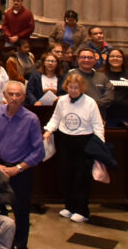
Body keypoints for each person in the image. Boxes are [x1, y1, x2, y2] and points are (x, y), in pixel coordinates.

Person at [0, 81, 44, 249]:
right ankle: (0, 248)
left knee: (21, 212)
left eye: (17, 95)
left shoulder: (31, 119)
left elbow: (38, 152)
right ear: (4, 95)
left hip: (20, 170)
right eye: (10, 94)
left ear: (23, 97)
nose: (13, 98)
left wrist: (17, 168)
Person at [43, 70, 106, 223]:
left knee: (81, 177)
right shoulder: (62, 101)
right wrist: (48, 130)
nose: (73, 90)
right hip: (65, 141)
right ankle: (70, 206)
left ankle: (82, 210)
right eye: (70, 87)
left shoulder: (90, 102)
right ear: (66, 87)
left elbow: (98, 125)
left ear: (82, 88)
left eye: (76, 87)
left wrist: (99, 144)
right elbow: (55, 118)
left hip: (84, 141)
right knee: (67, 174)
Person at [102, 48, 128, 133]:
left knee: (126, 144)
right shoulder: (101, 75)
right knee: (108, 144)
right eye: (112, 56)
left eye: (118, 56)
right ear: (108, 59)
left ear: (123, 59)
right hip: (107, 117)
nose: (115, 58)